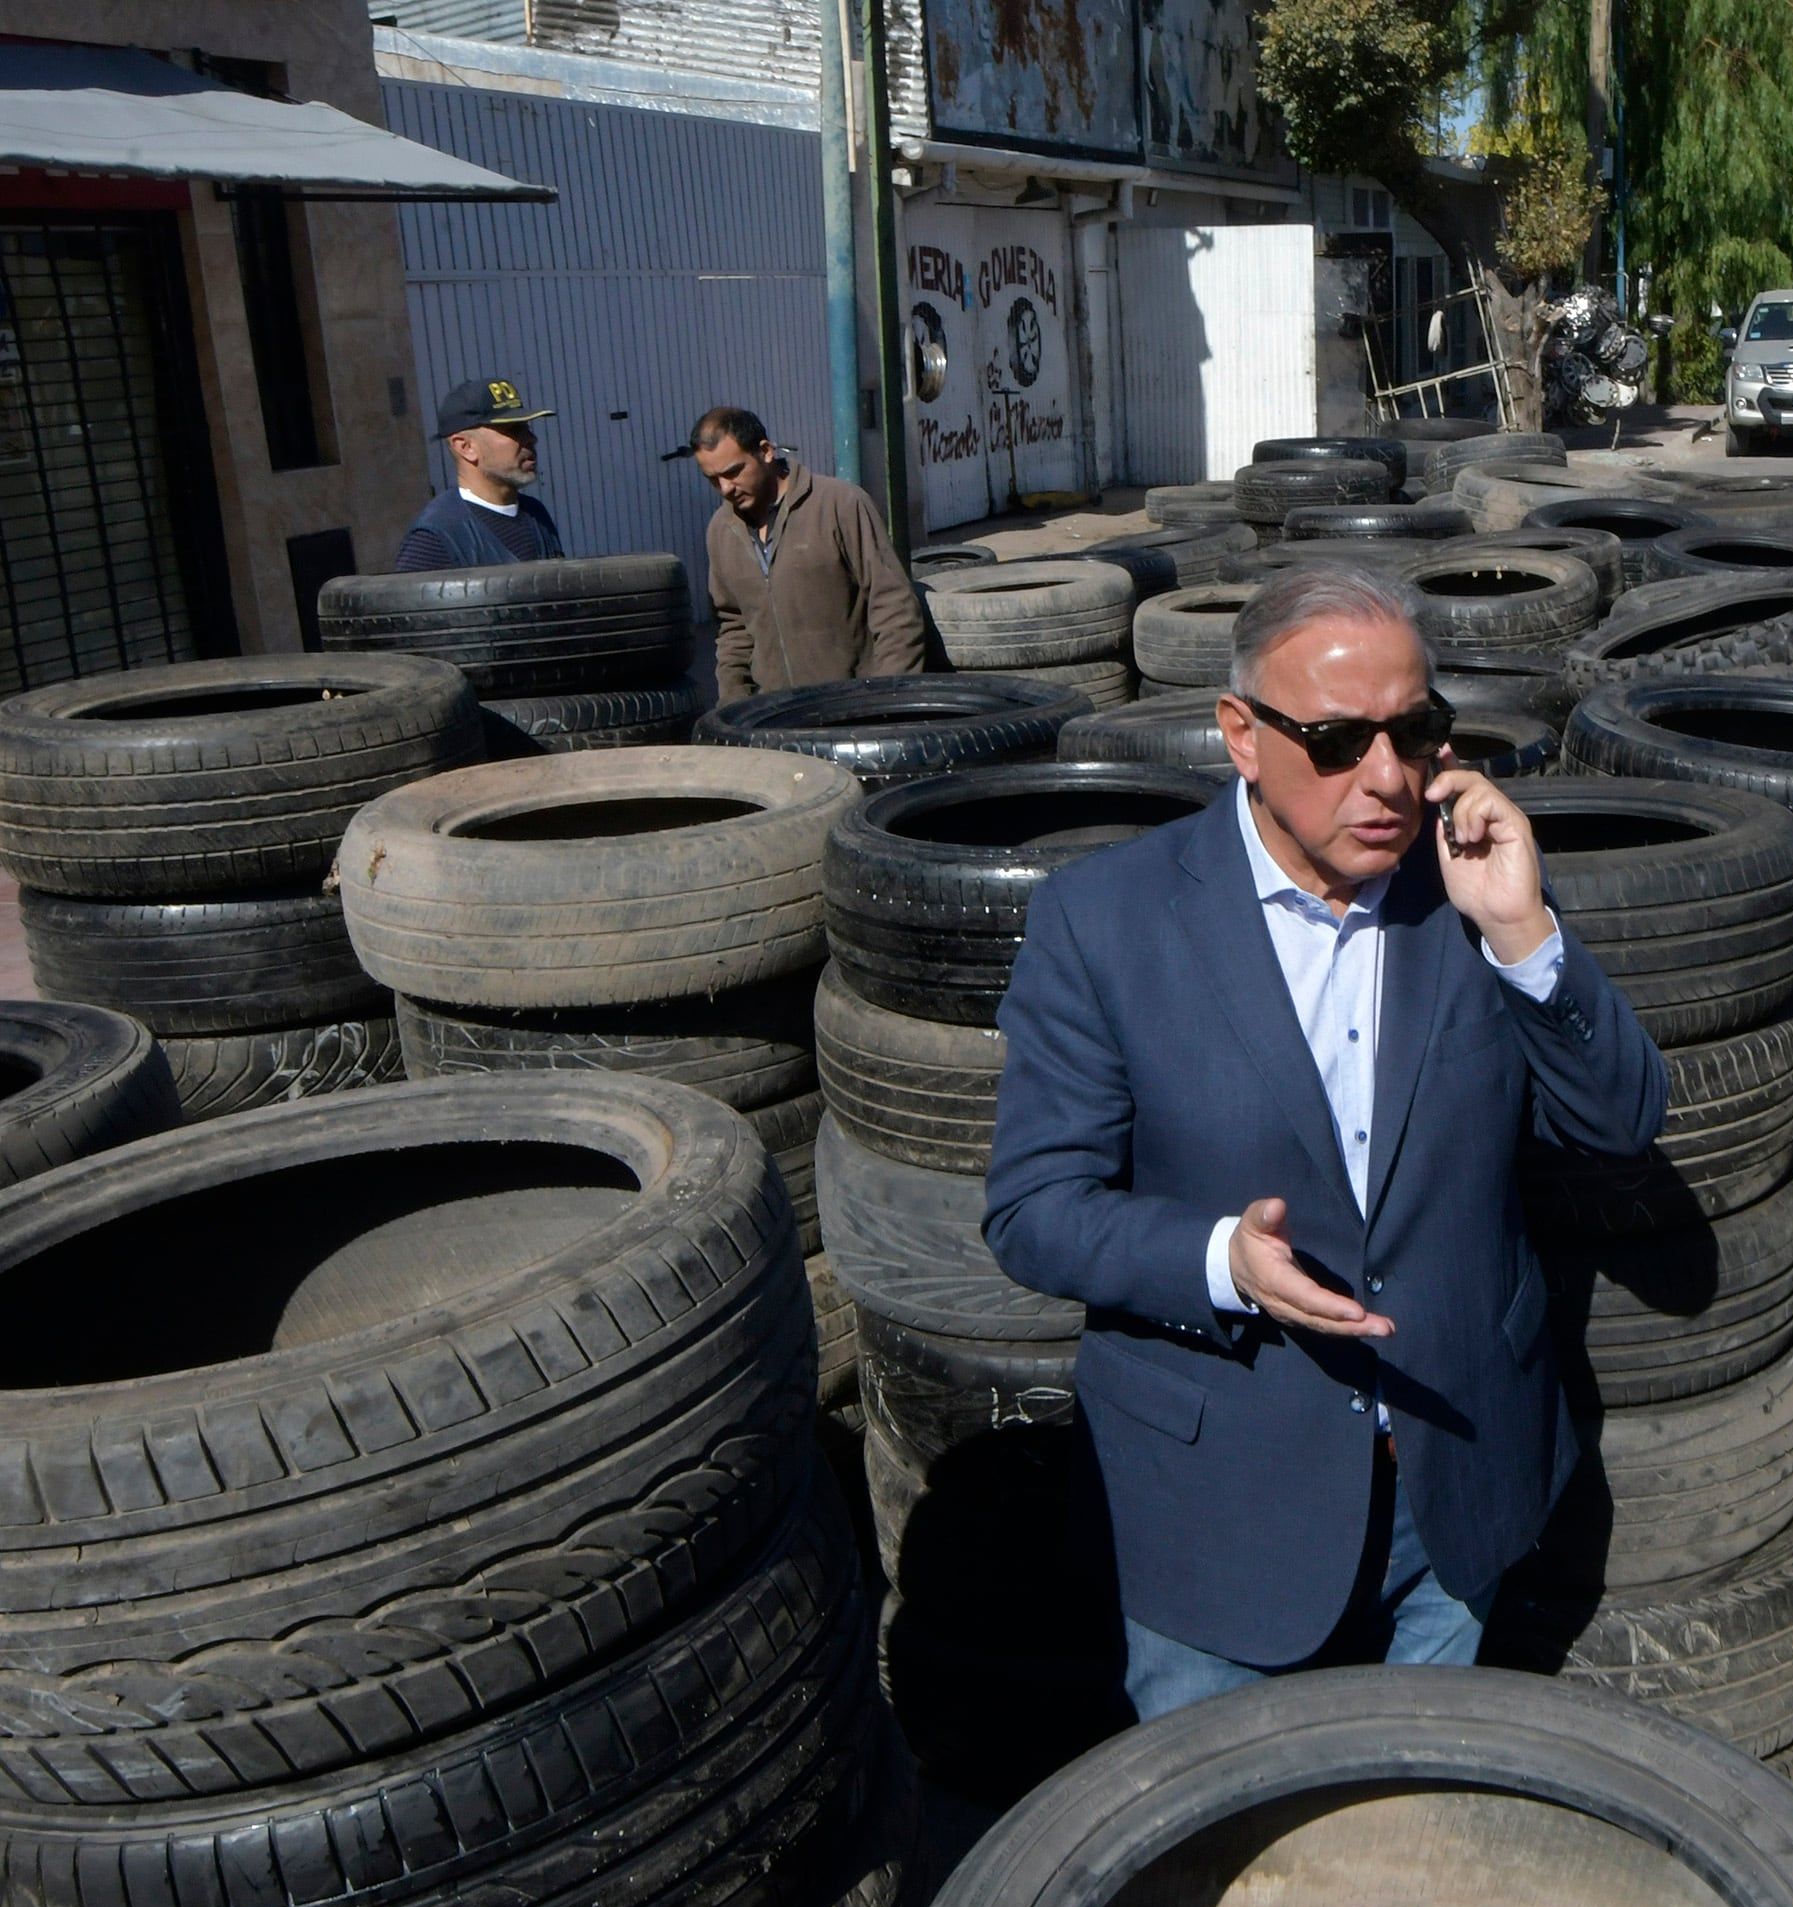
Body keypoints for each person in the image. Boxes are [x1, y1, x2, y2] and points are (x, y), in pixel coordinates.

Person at [982, 563, 1669, 1720]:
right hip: (1223, 1511)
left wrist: (1524, 935)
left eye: (1417, 731)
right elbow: (1033, 1210)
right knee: (1241, 1822)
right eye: (1340, 741)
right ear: (1241, 736)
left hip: (1455, 1476)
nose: (1390, 777)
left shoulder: (1468, 887)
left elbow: (1619, 1120)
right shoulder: (1104, 921)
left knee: (1419, 1799)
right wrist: (1220, 1261)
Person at [691, 407, 926, 698]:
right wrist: (733, 705)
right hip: (776, 714)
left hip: (854, 706)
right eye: (713, 479)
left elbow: (894, 608)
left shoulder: (840, 505)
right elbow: (733, 629)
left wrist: (887, 700)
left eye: (733, 472)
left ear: (765, 451)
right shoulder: (721, 531)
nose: (726, 488)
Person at [395, 377, 562, 571]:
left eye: (526, 427)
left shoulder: (536, 514)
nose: (531, 438)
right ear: (466, 447)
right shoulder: (434, 540)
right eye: (513, 429)